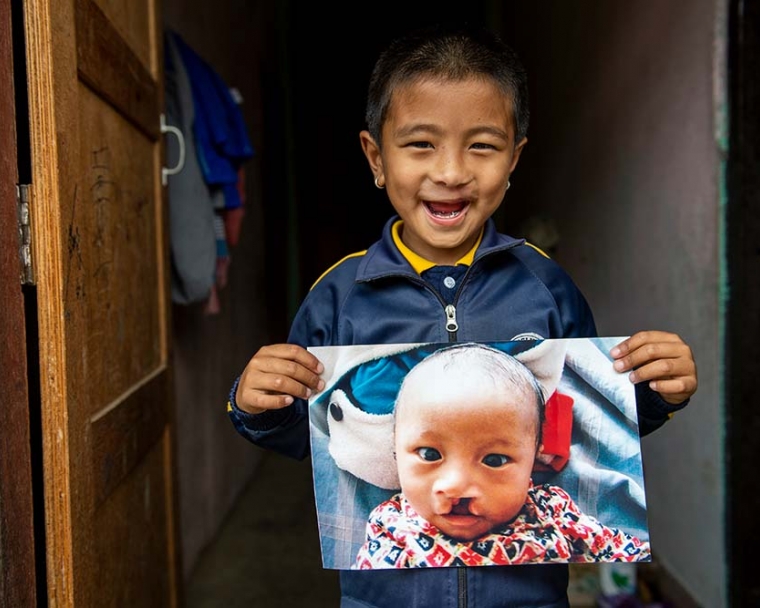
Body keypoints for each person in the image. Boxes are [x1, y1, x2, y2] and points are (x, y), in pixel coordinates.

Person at [227, 22, 698, 608]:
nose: (450, 172)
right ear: (376, 157)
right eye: (420, 144)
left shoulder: (546, 287)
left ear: (514, 159)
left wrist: (652, 394)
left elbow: (583, 429)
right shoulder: (339, 296)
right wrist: (257, 405)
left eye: (481, 145)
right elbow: (315, 437)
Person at [353, 343, 650, 570]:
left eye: (494, 460)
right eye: (430, 454)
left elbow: (622, 550)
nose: (455, 486)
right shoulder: (390, 524)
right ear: (395, 450)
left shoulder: (550, 511)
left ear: (535, 457)